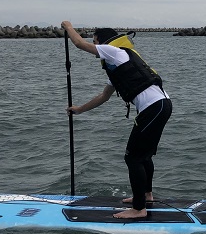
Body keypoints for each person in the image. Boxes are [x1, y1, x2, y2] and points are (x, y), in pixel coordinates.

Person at [61, 21, 172, 219]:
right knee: (143, 156)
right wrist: (79, 110)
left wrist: (68, 26)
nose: (94, 47)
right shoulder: (116, 67)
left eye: (95, 41)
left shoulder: (114, 51)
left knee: (133, 157)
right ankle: (146, 196)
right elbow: (103, 97)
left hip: (154, 107)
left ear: (103, 42)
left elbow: (78, 44)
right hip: (161, 106)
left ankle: (139, 209)